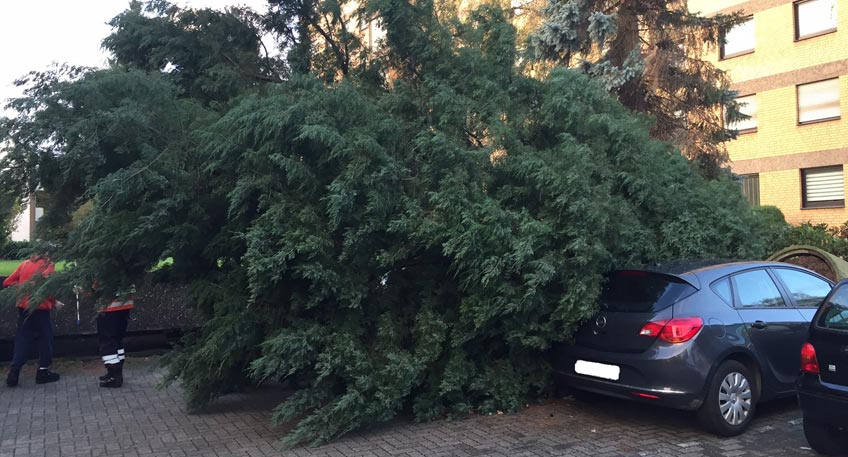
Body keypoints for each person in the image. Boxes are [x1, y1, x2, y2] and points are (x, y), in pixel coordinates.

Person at [4, 253, 61, 387]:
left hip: (23, 307)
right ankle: (43, 372)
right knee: (45, 339)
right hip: (40, 307)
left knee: (22, 339)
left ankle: (14, 373)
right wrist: (54, 302)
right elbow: (48, 287)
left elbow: (7, 282)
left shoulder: (24, 264)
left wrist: (23, 289)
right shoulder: (48, 264)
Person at [96, 286, 134, 388]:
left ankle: (115, 376)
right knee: (117, 340)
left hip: (109, 306)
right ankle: (115, 373)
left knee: (107, 342)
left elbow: (98, 283)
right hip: (125, 303)